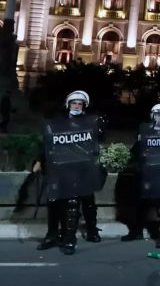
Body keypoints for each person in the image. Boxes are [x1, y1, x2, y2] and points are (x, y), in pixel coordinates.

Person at [33, 90, 104, 255]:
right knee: (54, 200)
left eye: (80, 104)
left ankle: (87, 232)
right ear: (68, 105)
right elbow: (49, 143)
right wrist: (39, 160)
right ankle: (52, 235)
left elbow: (98, 142)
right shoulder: (59, 123)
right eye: (74, 103)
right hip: (62, 167)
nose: (77, 106)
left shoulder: (89, 122)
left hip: (83, 168)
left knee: (85, 199)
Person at [122, 104, 160, 248]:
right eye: (157, 114)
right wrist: (140, 145)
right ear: (152, 116)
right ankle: (136, 231)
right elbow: (136, 153)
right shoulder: (145, 131)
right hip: (147, 173)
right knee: (139, 200)